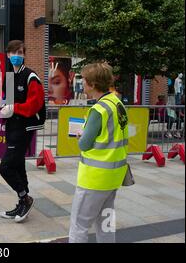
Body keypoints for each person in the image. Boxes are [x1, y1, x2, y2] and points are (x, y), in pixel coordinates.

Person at [69, 62, 129, 243]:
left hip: (94, 178)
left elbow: (85, 145)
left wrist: (82, 135)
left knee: (79, 226)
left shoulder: (98, 110)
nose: (83, 84)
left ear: (93, 84)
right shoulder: (117, 102)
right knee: (106, 224)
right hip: (114, 176)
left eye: (84, 80)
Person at [0, 40, 46, 223]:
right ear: (8, 55)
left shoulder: (31, 76)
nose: (16, 55)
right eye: (13, 52)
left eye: (20, 52)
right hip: (12, 125)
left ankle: (25, 198)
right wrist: (5, 107)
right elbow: (8, 101)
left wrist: (14, 108)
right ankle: (22, 202)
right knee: (17, 165)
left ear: (24, 54)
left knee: (6, 167)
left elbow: (36, 104)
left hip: (25, 126)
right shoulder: (9, 75)